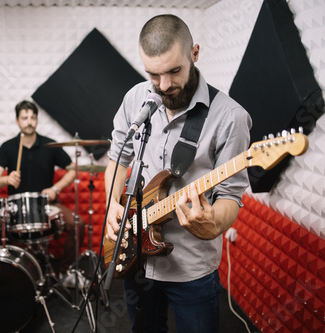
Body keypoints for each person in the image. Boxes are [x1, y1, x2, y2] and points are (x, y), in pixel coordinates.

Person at [105, 15, 252, 332]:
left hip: (191, 267)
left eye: (174, 71)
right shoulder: (136, 98)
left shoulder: (231, 117)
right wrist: (112, 207)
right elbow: (118, 157)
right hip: (137, 258)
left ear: (194, 53)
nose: (165, 86)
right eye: (153, 74)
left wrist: (213, 225)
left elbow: (229, 196)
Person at [0, 100, 85, 288]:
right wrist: (6, 180)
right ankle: (4, 274)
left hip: (47, 205)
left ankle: (65, 272)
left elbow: (73, 169)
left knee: (77, 224)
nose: (29, 121)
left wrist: (54, 189)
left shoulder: (50, 145)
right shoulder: (8, 147)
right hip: (16, 208)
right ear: (17, 121)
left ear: (37, 120)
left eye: (33, 117)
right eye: (24, 118)